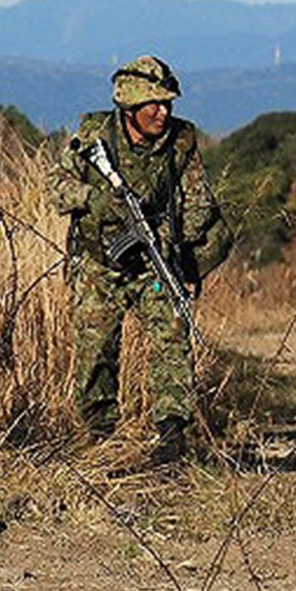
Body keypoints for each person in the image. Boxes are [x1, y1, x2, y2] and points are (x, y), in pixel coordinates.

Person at [48, 55, 231, 463]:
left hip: (153, 264)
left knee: (173, 341)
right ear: (129, 106)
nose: (163, 113)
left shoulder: (182, 141)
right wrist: (95, 199)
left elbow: (200, 202)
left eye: (168, 104)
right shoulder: (94, 134)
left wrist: (170, 239)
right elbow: (55, 186)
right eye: (153, 105)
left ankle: (171, 436)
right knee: (96, 354)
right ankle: (100, 438)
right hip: (99, 266)